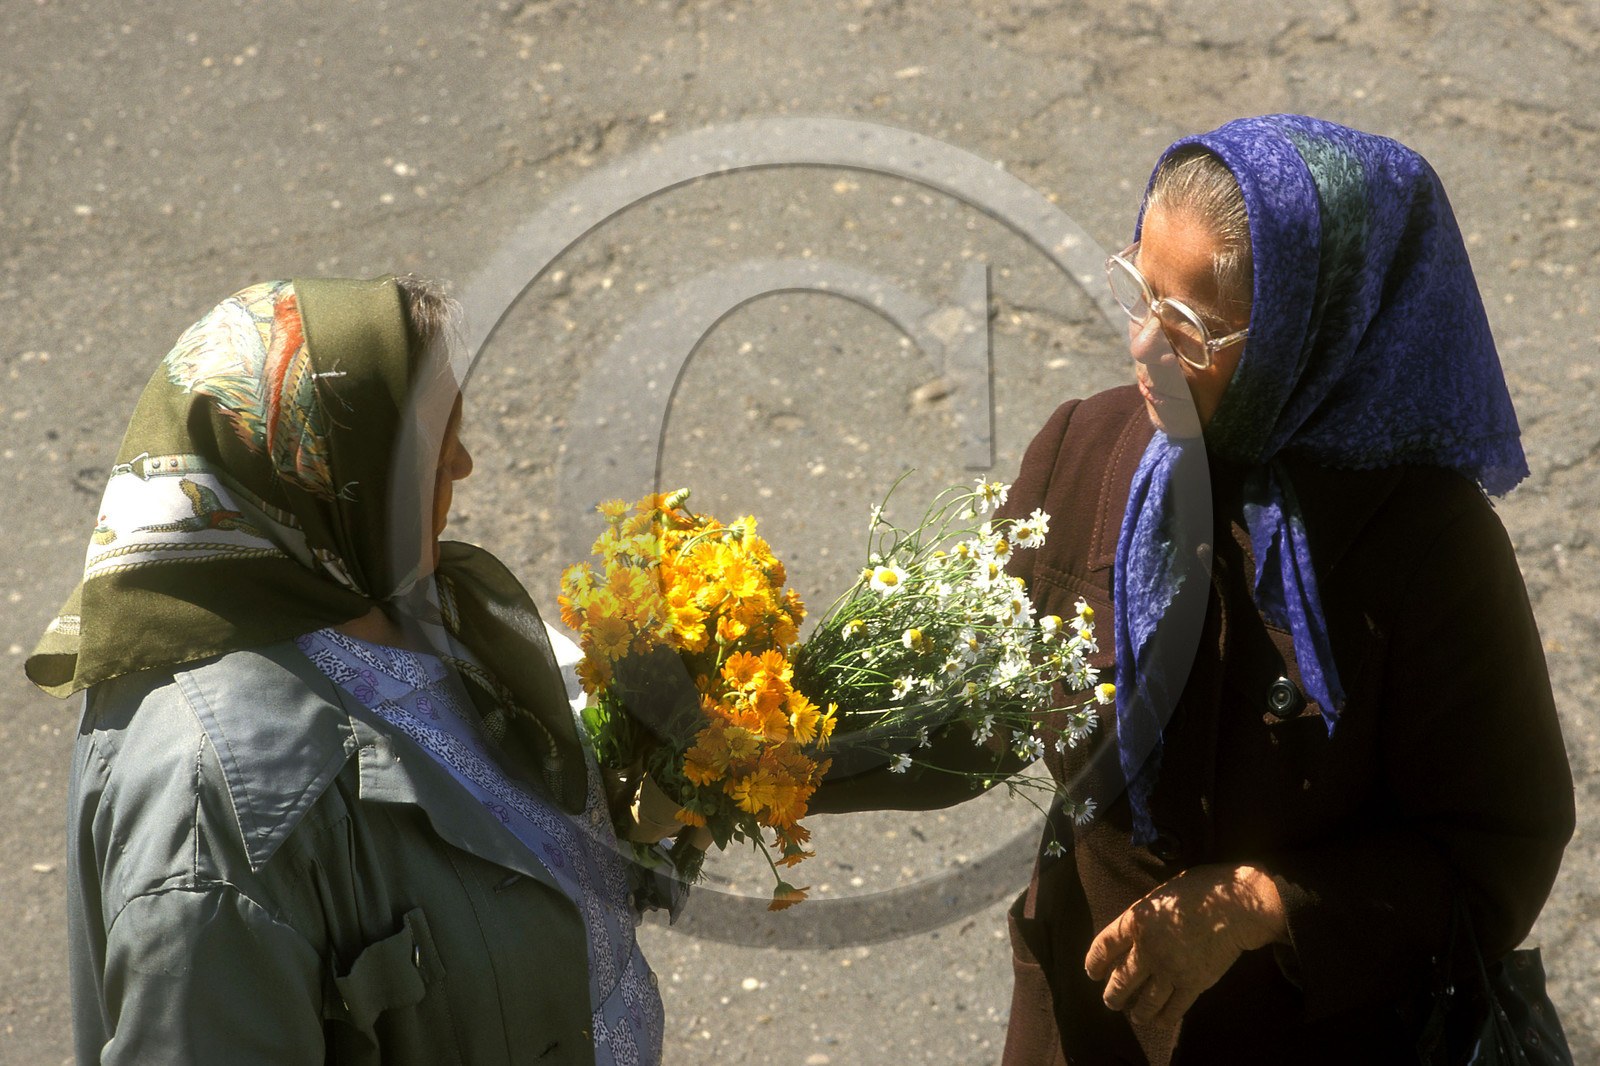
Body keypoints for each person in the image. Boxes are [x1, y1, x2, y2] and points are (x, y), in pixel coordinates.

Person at [812, 115, 1575, 1064]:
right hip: (1079, 1026)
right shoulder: (1081, 455)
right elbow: (977, 707)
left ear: (1313, 331)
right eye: (1139, 288)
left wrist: (1256, 905)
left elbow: (1495, 853)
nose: (1142, 346)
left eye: (1192, 330)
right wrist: (767, 749)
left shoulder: (1431, 548)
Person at [29, 275, 665, 1064]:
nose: (464, 463)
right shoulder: (212, 820)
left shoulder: (388, 596)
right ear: (331, 476)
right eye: (440, 437)